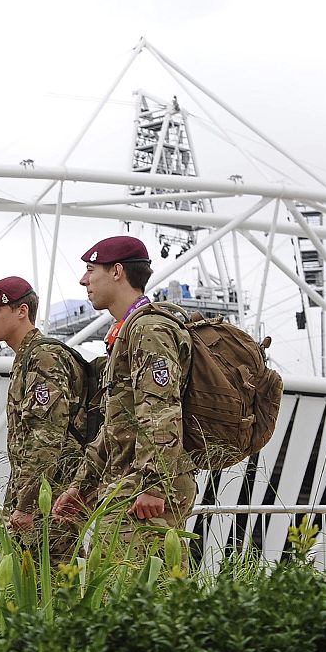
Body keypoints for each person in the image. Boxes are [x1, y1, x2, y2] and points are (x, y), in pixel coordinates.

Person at [53, 235, 195, 551]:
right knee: (114, 587)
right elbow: (116, 426)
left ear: (117, 272)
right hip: (127, 482)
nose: (83, 279)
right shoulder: (128, 330)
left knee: (137, 590)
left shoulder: (149, 329)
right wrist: (81, 487)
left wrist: (155, 485)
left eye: (91, 269)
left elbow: (160, 409)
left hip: (143, 490)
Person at [0, 275, 85, 560]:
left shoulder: (43, 358)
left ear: (22, 311)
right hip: (42, 496)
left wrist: (27, 505)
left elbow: (46, 438)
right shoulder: (28, 358)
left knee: (44, 588)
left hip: (48, 500)